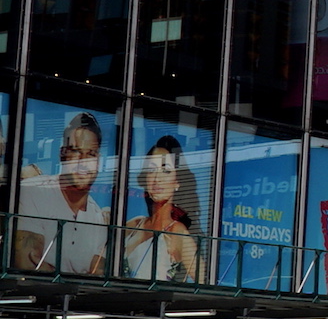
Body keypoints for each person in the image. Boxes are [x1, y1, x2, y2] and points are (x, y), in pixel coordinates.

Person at [14, 112, 113, 275]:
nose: (83, 162)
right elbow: (27, 264)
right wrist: (80, 279)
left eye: (91, 154)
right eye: (76, 151)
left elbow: (99, 276)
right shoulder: (32, 191)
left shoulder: (98, 218)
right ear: (62, 154)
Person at [122, 136, 200, 283]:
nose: (157, 178)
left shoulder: (177, 231)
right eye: (152, 170)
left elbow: (204, 280)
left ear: (177, 182)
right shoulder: (134, 224)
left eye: (166, 170)